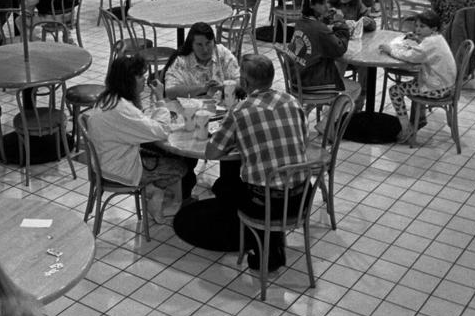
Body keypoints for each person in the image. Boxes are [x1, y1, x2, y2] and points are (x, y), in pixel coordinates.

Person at [206, 54, 309, 271]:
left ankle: (253, 241)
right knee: (261, 181)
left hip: (264, 205)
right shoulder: (293, 102)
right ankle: (273, 239)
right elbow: (302, 141)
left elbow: (212, 152)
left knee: (224, 186)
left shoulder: (240, 111)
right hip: (301, 198)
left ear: (245, 82)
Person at [86, 55, 192, 218]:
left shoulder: (108, 98)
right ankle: (157, 196)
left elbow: (140, 125)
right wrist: (160, 99)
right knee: (180, 166)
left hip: (106, 160)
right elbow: (162, 130)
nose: (144, 79)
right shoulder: (121, 110)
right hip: (119, 169)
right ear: (127, 81)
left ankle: (154, 191)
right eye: (140, 76)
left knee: (164, 152)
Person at [379, 10, 456, 143]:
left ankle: (406, 128)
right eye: (417, 26)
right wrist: (418, 39)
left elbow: (409, 57)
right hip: (447, 85)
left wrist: (390, 50)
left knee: (395, 90)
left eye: (422, 27)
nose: (418, 29)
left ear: (433, 29)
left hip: (436, 88)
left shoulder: (429, 44)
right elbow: (425, 50)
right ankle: (418, 119)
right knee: (414, 80)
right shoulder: (437, 38)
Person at [288, 0, 361, 101]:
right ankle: (331, 118)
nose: (328, 6)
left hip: (295, 77)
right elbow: (340, 48)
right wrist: (340, 23)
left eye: (328, 2)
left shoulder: (301, 21)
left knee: (338, 66)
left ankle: (310, 110)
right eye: (323, 3)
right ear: (312, 5)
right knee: (355, 88)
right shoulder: (319, 29)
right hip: (310, 82)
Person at [163, 22, 239, 100]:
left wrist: (223, 87)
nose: (205, 50)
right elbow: (170, 91)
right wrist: (202, 88)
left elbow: (241, 82)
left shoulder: (223, 53)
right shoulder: (181, 61)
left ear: (213, 41)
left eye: (208, 43)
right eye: (199, 44)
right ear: (191, 45)